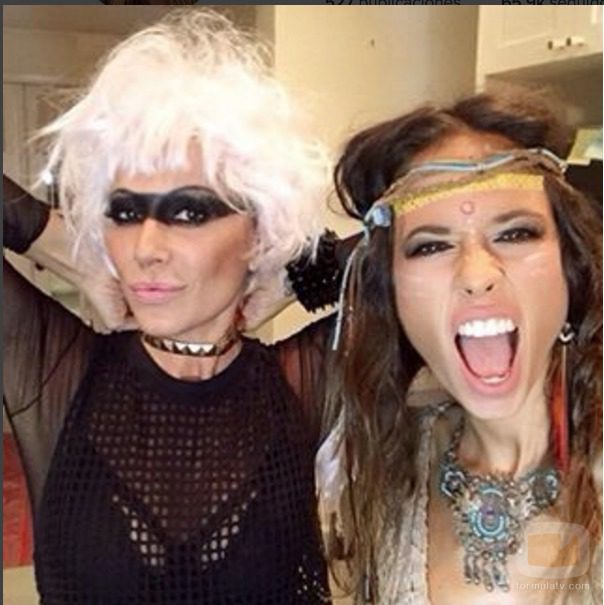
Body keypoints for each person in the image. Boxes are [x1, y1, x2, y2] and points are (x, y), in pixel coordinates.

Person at [4, 10, 336, 604]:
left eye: (188, 212)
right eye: (125, 212)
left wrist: (299, 270)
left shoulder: (300, 383)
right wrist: (53, 238)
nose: (146, 249)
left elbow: (414, 249)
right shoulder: (59, 375)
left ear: (260, 228)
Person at [318, 91, 602, 604]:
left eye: (515, 233)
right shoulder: (380, 472)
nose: (475, 274)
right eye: (430, 245)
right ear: (392, 294)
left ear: (571, 266)